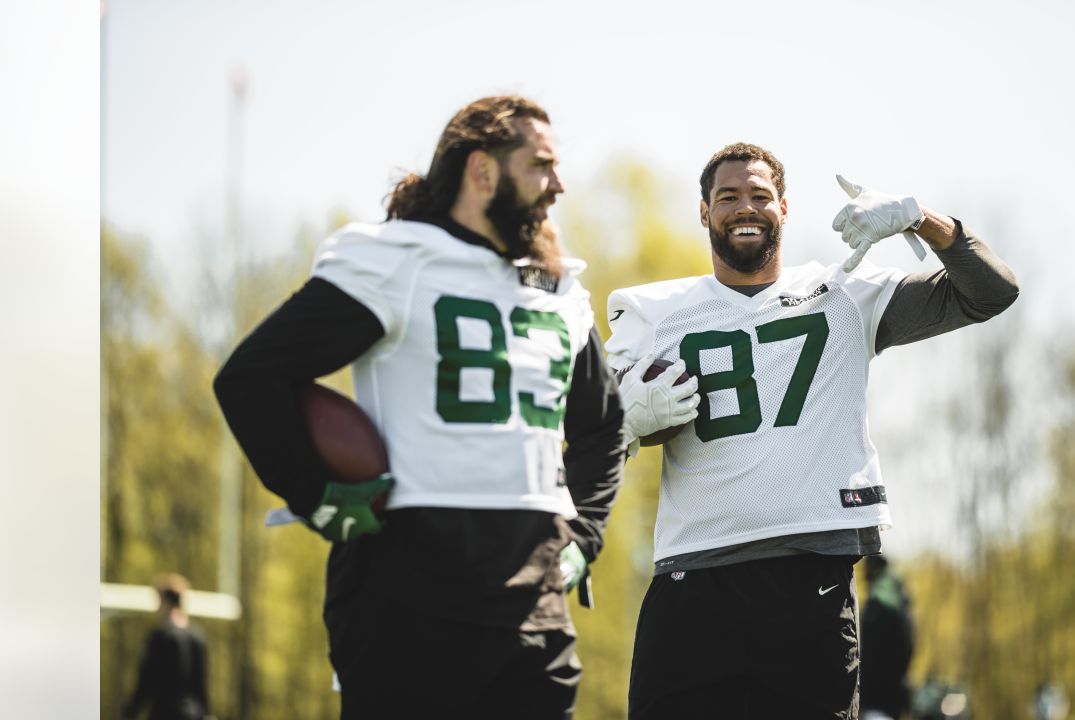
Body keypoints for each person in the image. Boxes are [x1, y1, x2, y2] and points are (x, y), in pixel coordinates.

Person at [214, 95, 675, 719]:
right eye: (540, 164)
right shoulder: (396, 260)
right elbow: (253, 376)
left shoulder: (558, 290)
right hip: (407, 594)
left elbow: (602, 425)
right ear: (482, 170)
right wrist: (314, 493)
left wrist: (585, 535)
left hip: (533, 598)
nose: (558, 183)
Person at [605, 142, 1019, 718]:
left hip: (811, 585)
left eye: (759, 196)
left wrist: (923, 219)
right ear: (704, 212)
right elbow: (596, 426)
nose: (744, 208)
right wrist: (623, 415)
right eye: (728, 197)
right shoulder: (653, 312)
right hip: (693, 581)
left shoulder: (844, 291)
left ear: (784, 208)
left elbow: (991, 292)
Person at [123, 574, 209, 720]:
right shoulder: (197, 637)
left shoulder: (160, 637)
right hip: (193, 714)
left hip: (164, 713)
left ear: (165, 602)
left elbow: (146, 679)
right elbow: (201, 684)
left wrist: (131, 710)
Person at [860, 555, 915, 720]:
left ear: (871, 567)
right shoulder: (898, 593)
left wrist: (861, 698)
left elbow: (869, 655)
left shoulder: (879, 600)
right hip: (896, 694)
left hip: (878, 701)